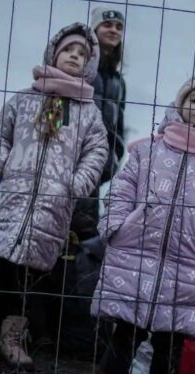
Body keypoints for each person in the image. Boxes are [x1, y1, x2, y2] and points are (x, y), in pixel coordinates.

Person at [92, 67, 195, 374]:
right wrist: (116, 226)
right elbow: (121, 189)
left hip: (190, 269)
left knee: (169, 349)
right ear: (179, 106)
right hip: (134, 258)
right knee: (122, 340)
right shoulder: (148, 151)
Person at [0, 23, 109, 371]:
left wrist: (76, 183)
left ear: (89, 64)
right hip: (13, 200)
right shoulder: (25, 98)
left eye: (82, 53)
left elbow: (97, 152)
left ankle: (13, 338)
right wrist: (3, 163)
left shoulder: (88, 112)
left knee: (32, 278)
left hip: (52, 207)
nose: (74, 56)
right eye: (69, 49)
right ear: (54, 52)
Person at [69, 6, 128, 241]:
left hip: (97, 169)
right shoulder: (78, 67)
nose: (113, 30)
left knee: (83, 232)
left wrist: (112, 160)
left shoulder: (118, 81)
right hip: (70, 161)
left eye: (119, 27)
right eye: (107, 24)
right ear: (94, 29)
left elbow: (118, 128)